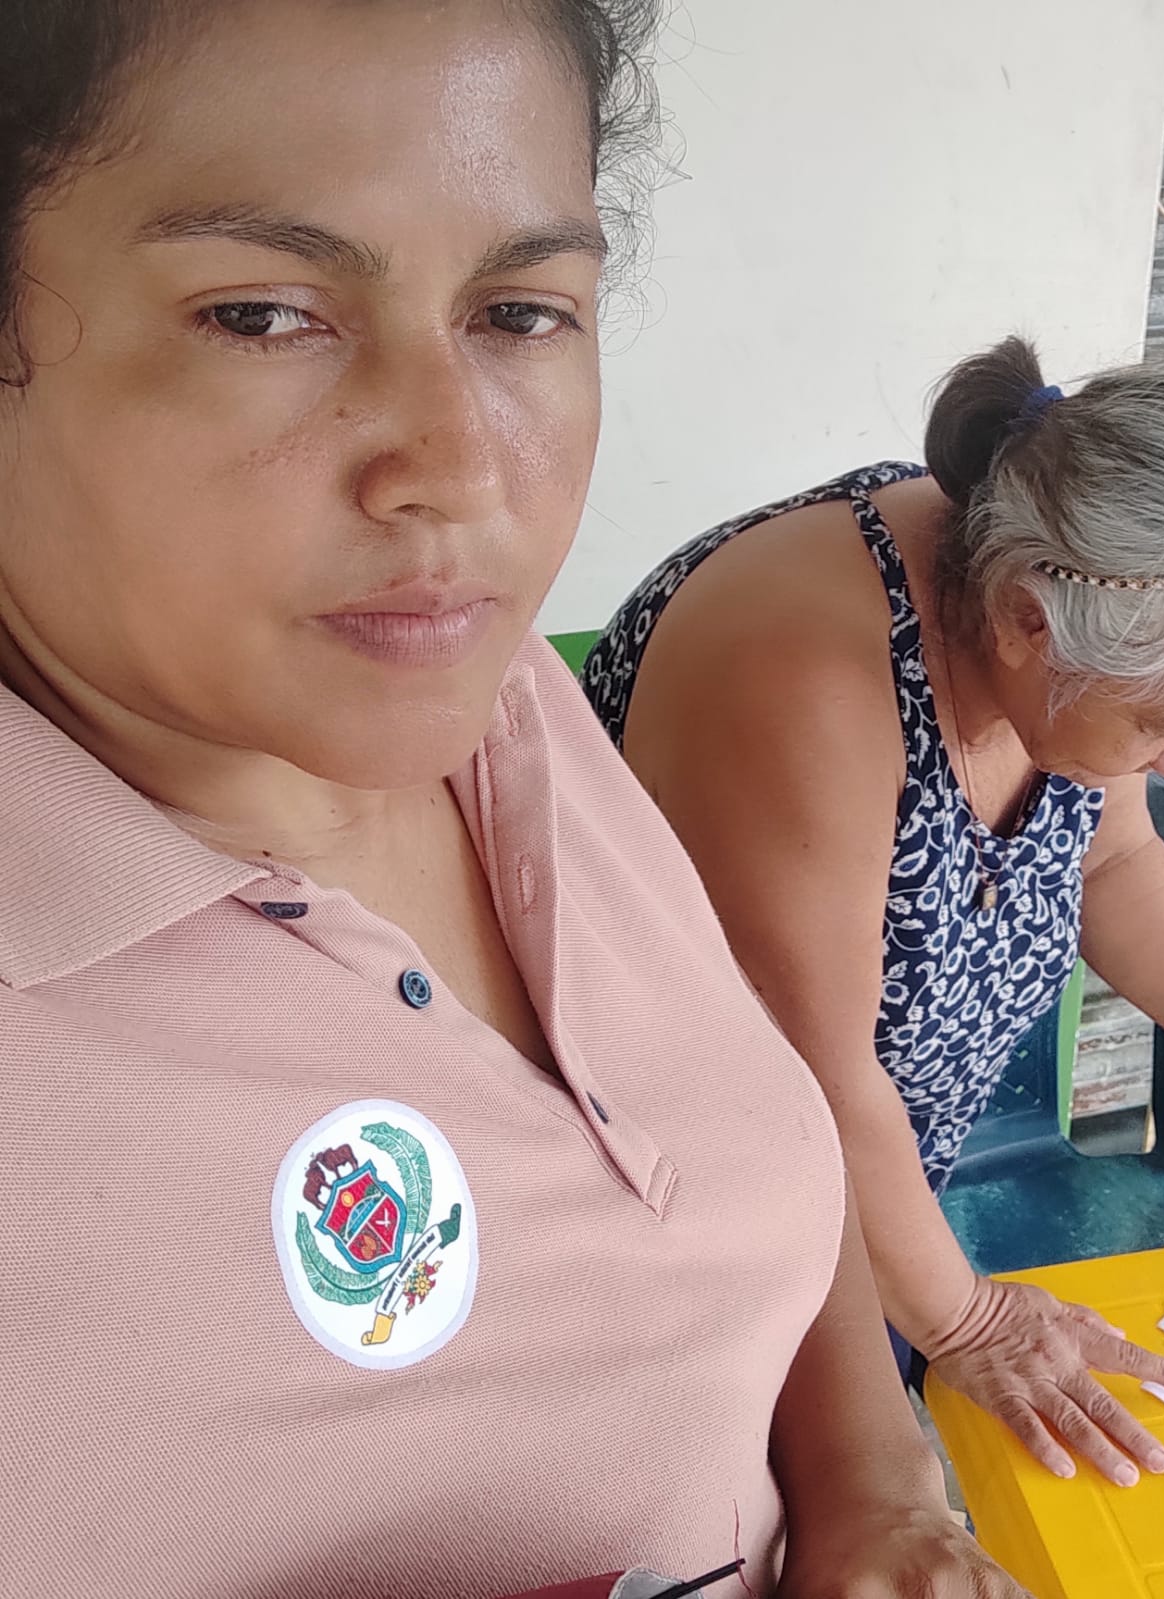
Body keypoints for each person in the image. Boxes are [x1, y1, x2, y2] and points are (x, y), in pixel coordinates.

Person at [0, 3, 1038, 1595]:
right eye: (262, 315)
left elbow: (742, 1128)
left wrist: (874, 1487)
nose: (461, 464)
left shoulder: (491, 700)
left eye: (518, 312)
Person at [582, 340, 1164, 1487]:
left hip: (866, 1207)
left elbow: (1112, 861)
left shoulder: (1083, 599)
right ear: (1029, 619)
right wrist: (970, 1321)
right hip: (672, 1226)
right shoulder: (805, 677)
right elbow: (807, 1080)